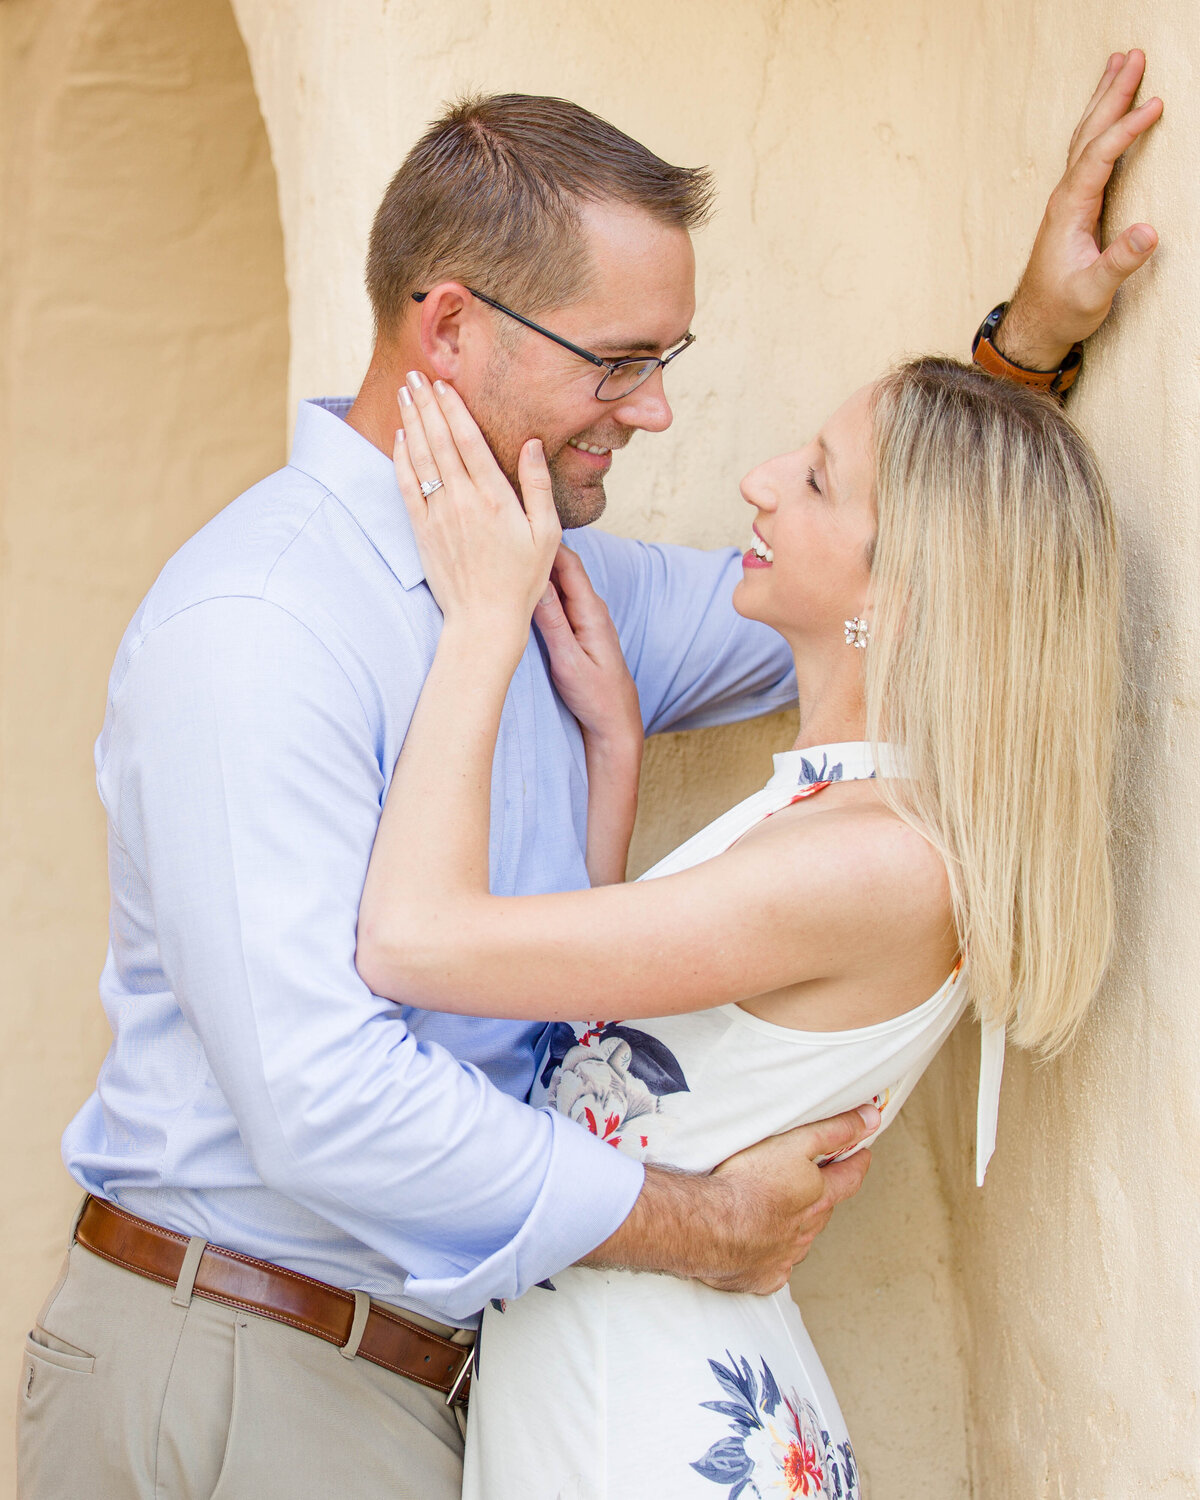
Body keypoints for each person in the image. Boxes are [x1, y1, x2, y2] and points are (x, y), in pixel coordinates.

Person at [17, 60, 1158, 1500]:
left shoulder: (566, 591)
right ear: (450, 329)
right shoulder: (261, 628)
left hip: (463, 1381)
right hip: (256, 1361)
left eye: (666, 360)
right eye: (618, 359)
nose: (660, 414)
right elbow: (324, 1098)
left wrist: (1026, 350)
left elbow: (900, 575)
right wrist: (699, 1223)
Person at [358, 353, 1121, 1500]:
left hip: (650, 1429)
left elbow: (412, 943)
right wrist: (617, 752)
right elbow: (600, 1053)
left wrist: (480, 628)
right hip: (624, 1390)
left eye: (816, 480)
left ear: (900, 586)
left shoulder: (866, 859)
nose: (761, 482)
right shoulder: (837, 815)